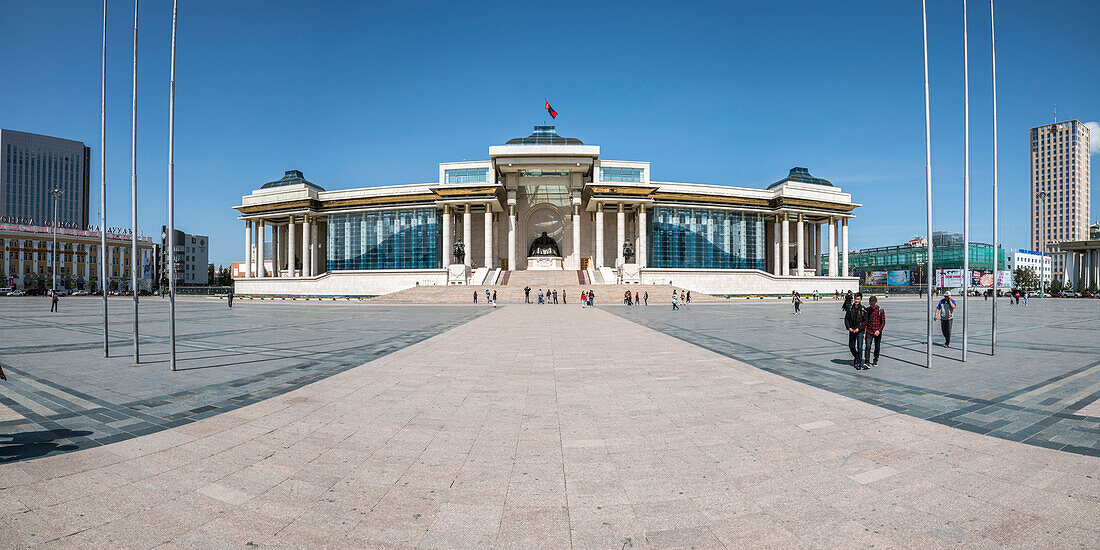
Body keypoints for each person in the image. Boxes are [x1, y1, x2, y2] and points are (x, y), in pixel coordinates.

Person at [844, 292, 868, 369]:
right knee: (851, 346)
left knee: (860, 347)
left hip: (859, 331)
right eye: (855, 299)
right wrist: (849, 328)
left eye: (858, 299)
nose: (856, 300)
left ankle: (858, 362)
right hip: (852, 331)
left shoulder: (863, 309)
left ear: (861, 299)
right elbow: (846, 319)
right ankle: (857, 357)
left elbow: (865, 322)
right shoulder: (850, 308)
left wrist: (859, 328)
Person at [865, 295, 886, 367]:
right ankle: (867, 361)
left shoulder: (881, 310)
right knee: (868, 346)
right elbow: (865, 322)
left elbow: (883, 322)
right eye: (871, 304)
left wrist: (879, 330)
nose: (872, 305)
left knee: (877, 346)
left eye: (873, 304)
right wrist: (865, 332)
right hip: (869, 331)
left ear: (876, 302)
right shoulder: (867, 310)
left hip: (877, 331)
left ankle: (875, 359)